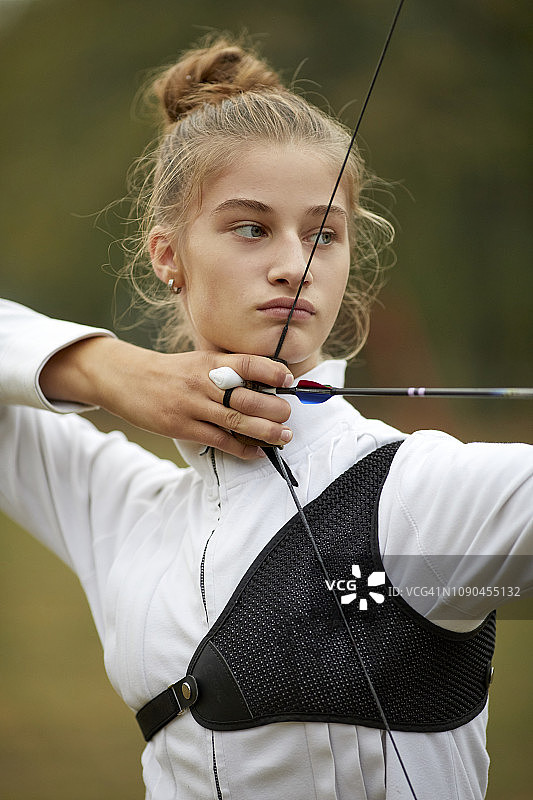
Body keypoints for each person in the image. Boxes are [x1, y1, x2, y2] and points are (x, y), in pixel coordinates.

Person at [1, 37, 531, 800]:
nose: (296, 263)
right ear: (167, 255)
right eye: (251, 228)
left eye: (323, 233)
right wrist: (112, 370)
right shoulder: (123, 512)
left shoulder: (422, 493)